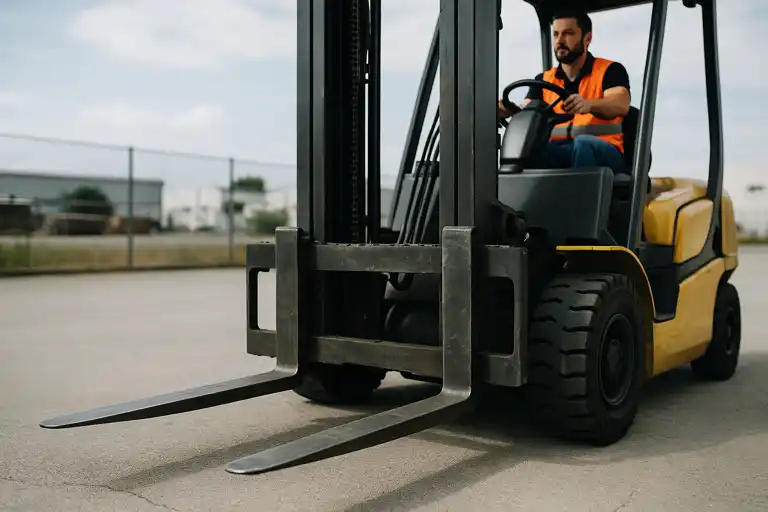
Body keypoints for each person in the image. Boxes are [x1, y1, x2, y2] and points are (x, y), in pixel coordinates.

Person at [498, 10, 631, 175]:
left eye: (568, 34)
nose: (560, 41)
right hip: (560, 151)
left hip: (604, 152)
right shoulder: (545, 79)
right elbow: (526, 107)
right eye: (556, 34)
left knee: (583, 144)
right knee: (528, 148)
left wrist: (588, 104)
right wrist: (504, 109)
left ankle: (580, 200)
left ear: (587, 38)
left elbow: (620, 104)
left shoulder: (609, 70)